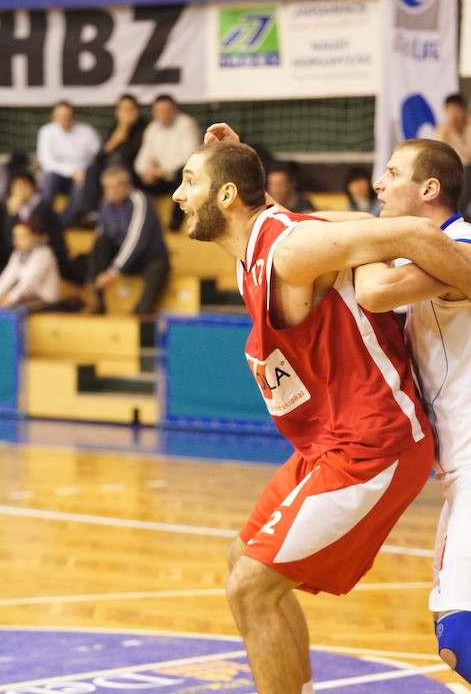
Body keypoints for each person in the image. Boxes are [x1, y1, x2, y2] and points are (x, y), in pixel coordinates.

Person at [172, 125, 471, 694]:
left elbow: (411, 230)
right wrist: (236, 163)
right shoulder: (260, 244)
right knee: (241, 560)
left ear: (226, 197)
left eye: (189, 181)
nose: (178, 195)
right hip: (326, 443)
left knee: (250, 587)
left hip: (374, 444)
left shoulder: (289, 249)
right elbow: (291, 220)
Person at [351, 138, 471, 686]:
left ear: (429, 188)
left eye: (392, 172)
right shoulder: (428, 249)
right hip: (457, 468)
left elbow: (374, 290)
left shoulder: (461, 242)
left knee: (459, 637)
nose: (379, 183)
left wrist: (363, 238)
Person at [85, 165, 169, 315]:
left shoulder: (139, 200)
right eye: (108, 187)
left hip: (148, 258)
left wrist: (114, 271)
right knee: (100, 244)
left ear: (128, 185)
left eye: (117, 186)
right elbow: (101, 236)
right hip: (122, 258)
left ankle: (140, 314)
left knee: (159, 266)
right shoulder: (105, 204)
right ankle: (98, 301)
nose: (112, 191)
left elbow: (137, 241)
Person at [134, 94, 201, 230]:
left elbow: (190, 156)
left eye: (167, 110)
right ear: (154, 112)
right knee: (133, 177)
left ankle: (175, 223)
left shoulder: (186, 124)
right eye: (159, 111)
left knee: (182, 174)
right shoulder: (152, 129)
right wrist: (146, 171)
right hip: (159, 178)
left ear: (175, 109)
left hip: (180, 177)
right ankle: (139, 222)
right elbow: (142, 158)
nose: (163, 114)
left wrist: (160, 170)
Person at [5, 171, 84, 285]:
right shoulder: (14, 208)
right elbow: (11, 239)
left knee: (35, 253)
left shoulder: (43, 207)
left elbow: (32, 237)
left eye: (23, 185)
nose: (19, 190)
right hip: (25, 255)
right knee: (13, 255)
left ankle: (14, 296)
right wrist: (12, 215)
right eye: (15, 187)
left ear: (32, 187)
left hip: (51, 255)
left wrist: (13, 215)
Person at [82, 94, 148, 219]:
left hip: (132, 169)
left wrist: (125, 131)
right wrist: (114, 140)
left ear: (137, 111)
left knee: (120, 169)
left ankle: (124, 213)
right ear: (117, 112)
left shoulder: (144, 128)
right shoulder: (114, 128)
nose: (126, 113)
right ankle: (92, 214)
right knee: (92, 170)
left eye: (130, 109)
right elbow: (99, 158)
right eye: (123, 110)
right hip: (109, 167)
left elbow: (130, 155)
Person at [37, 101, 101, 226]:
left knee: (84, 182)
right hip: (57, 176)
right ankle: (43, 217)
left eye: (67, 116)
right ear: (54, 117)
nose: (64, 120)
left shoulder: (87, 131)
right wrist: (72, 171)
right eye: (60, 116)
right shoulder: (46, 131)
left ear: (73, 116)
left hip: (82, 175)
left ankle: (65, 221)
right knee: (49, 178)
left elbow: (97, 156)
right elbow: (46, 162)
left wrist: (84, 172)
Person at [0, 221, 60, 311]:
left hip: (45, 299)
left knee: (9, 308)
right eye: (16, 236)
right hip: (26, 297)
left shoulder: (43, 253)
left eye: (23, 236)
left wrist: (11, 297)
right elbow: (6, 278)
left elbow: (30, 282)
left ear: (34, 235)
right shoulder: (17, 254)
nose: (18, 240)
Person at [434, 93, 471, 217]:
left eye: (456, 109)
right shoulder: (443, 129)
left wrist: (454, 135)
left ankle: (461, 215)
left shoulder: (469, 127)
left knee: (464, 171)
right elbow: (437, 152)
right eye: (449, 110)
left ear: (463, 110)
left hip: (466, 170)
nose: (453, 114)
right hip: (451, 171)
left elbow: (468, 156)